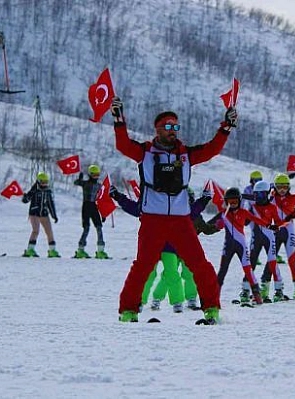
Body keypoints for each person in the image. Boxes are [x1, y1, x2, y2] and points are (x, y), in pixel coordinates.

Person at [111, 96, 237, 324]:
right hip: (152, 220)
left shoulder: (185, 154)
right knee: (143, 266)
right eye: (168, 126)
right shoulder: (145, 152)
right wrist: (119, 120)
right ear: (158, 130)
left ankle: (211, 309)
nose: (173, 131)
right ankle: (128, 311)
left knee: (199, 264)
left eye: (176, 127)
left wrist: (226, 127)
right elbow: (123, 145)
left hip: (181, 221)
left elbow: (211, 150)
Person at [111, 186, 217, 312]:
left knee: (172, 274)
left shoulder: (180, 209)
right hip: (152, 244)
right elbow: (134, 208)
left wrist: (204, 200)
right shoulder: (151, 206)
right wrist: (117, 196)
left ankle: (177, 302)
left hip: (169, 248)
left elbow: (193, 212)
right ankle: (139, 301)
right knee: (147, 273)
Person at [209, 187, 274, 305]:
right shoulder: (224, 213)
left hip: (241, 246)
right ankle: (214, 298)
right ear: (226, 202)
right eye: (230, 202)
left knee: (248, 270)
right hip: (228, 246)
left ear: (239, 201)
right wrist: (217, 226)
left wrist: (269, 226)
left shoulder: (243, 212)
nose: (232, 204)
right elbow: (208, 225)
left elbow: (256, 220)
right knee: (222, 271)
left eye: (235, 201)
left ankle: (257, 295)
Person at [247, 180, 287, 302]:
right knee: (250, 263)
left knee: (272, 263)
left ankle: (278, 290)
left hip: (269, 238)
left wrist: (281, 225)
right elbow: (245, 221)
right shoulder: (252, 207)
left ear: (267, 194)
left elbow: (279, 222)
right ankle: (248, 290)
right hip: (256, 238)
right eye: (256, 195)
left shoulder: (271, 207)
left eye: (261, 195)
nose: (259, 198)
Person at [73, 164, 109, 259]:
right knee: (86, 228)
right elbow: (76, 183)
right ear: (90, 175)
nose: (96, 177)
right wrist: (79, 178)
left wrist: (103, 213)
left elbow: (102, 199)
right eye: (94, 175)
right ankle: (80, 250)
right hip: (86, 206)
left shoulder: (99, 186)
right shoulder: (85, 183)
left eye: (97, 175)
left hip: (94, 206)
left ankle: (100, 250)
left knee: (99, 227)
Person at [21, 172, 61, 258]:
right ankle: (30, 250)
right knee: (36, 230)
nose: (44, 184)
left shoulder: (48, 191)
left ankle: (52, 250)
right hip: (34, 213)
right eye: (43, 182)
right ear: (39, 181)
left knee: (49, 232)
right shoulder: (34, 189)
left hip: (44, 214)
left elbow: (51, 204)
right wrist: (25, 197)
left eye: (46, 182)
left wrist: (54, 216)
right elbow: (26, 200)